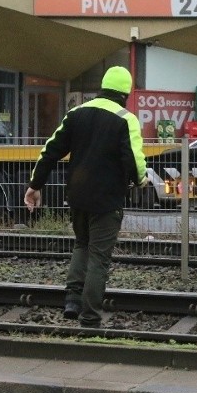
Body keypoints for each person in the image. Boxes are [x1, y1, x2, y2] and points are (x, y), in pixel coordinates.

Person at [24, 66, 147, 327]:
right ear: (125, 92)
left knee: (82, 244)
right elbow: (134, 159)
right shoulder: (126, 119)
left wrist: (35, 184)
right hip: (106, 200)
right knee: (99, 256)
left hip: (77, 196)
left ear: (102, 87)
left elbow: (50, 150)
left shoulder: (76, 113)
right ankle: (89, 316)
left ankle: (72, 301)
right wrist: (140, 179)